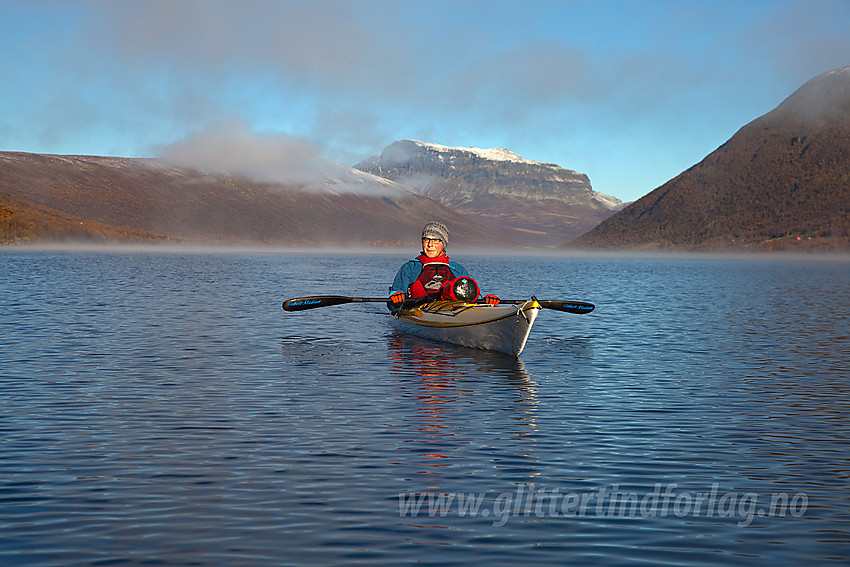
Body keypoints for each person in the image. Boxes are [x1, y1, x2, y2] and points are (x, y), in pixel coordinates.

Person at [388, 221, 500, 310]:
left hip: (454, 310)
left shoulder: (458, 269)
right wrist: (396, 301)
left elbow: (470, 298)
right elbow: (392, 306)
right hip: (419, 312)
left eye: (436, 240)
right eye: (426, 239)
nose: (430, 245)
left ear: (443, 244)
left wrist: (487, 301)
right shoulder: (409, 268)